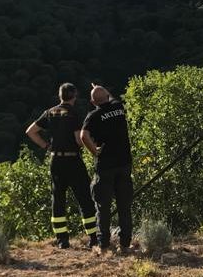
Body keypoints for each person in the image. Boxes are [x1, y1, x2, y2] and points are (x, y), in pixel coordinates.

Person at [26, 83, 98, 249]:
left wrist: (46, 146)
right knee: (84, 198)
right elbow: (79, 140)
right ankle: (93, 237)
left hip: (55, 161)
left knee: (58, 199)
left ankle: (62, 240)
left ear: (60, 96)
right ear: (74, 96)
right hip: (73, 160)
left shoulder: (50, 112)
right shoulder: (73, 114)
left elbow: (30, 131)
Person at [80, 84, 133, 254]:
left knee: (103, 207)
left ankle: (103, 246)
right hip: (124, 163)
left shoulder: (93, 115)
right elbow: (109, 97)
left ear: (92, 101)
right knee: (124, 205)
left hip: (105, 166)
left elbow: (83, 135)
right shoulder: (118, 107)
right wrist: (100, 88)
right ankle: (125, 244)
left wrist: (94, 151)